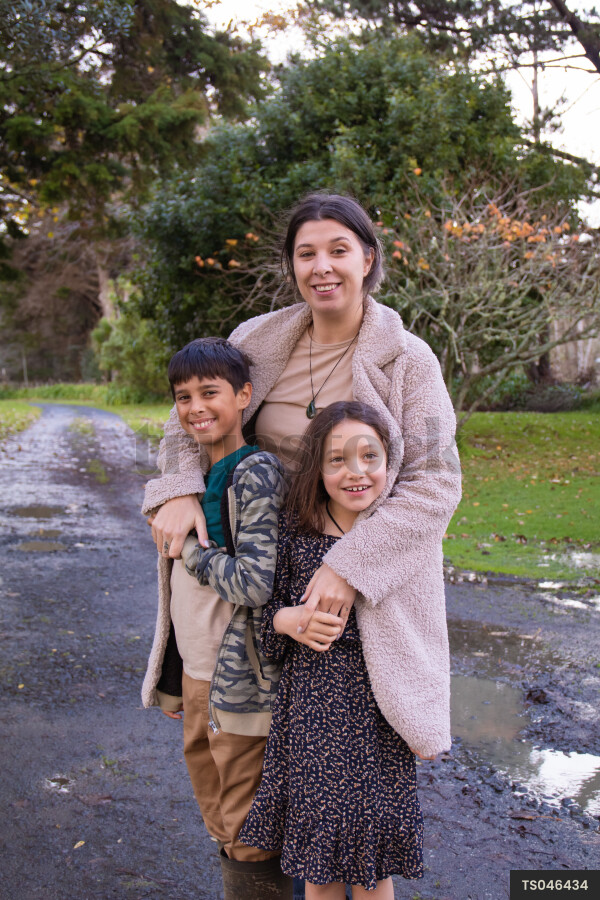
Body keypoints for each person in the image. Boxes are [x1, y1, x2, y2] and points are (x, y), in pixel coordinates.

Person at [145, 190, 461, 760]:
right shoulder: (257, 340)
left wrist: (351, 566)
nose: (321, 267)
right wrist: (178, 488)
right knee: (226, 745)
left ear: (368, 259)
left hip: (344, 576)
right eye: (305, 253)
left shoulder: (409, 361)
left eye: (338, 250)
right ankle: (240, 851)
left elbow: (435, 482)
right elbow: (186, 421)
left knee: (331, 759)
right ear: (291, 265)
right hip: (250, 563)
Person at [239, 401, 424, 898]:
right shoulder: (296, 532)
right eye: (337, 460)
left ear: (390, 462)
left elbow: (424, 633)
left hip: (379, 716)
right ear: (318, 469)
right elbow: (264, 615)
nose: (356, 472)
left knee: (372, 868)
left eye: (370, 456)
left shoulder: (401, 537)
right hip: (312, 713)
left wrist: (421, 717)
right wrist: (291, 620)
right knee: (319, 870)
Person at [141, 337, 291, 900]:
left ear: (244, 395)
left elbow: (255, 583)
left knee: (247, 823)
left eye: (210, 392)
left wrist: (191, 552)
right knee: (219, 815)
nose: (195, 407)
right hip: (198, 670)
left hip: (238, 680)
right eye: (183, 397)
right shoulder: (191, 478)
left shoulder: (255, 472)